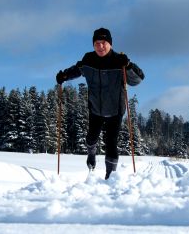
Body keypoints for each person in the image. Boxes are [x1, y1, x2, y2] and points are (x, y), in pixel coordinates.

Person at [56, 27, 145, 179]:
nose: (100, 46)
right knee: (91, 138)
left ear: (110, 43)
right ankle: (91, 156)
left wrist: (129, 66)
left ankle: (110, 177)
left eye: (103, 42)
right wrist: (64, 75)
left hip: (115, 109)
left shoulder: (119, 60)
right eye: (97, 43)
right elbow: (77, 69)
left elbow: (137, 79)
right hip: (95, 108)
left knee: (111, 142)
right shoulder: (89, 59)